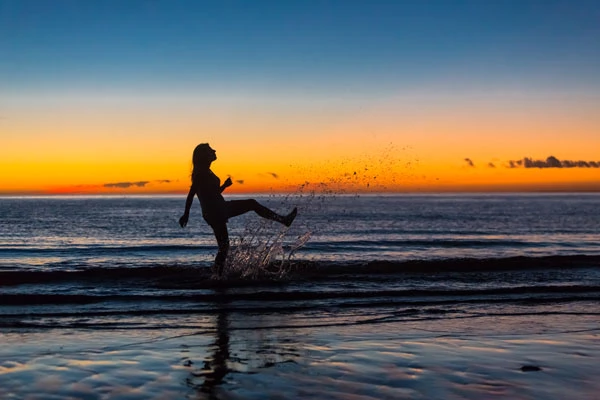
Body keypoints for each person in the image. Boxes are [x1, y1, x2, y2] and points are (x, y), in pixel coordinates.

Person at [179, 143, 297, 276]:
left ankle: (217, 276)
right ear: (205, 155)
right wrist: (186, 214)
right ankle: (217, 277)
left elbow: (213, 193)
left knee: (224, 247)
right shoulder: (200, 173)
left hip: (219, 208)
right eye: (211, 150)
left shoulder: (206, 171)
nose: (214, 150)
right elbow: (191, 194)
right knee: (224, 247)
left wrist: (224, 186)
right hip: (215, 211)